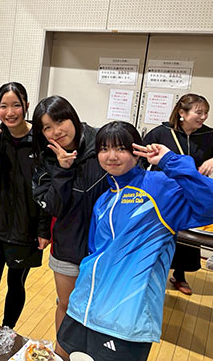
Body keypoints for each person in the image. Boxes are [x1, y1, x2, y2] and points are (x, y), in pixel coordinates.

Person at [59, 121, 213, 360]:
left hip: (125, 320)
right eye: (104, 149)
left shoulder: (160, 188)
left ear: (136, 151)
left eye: (120, 148)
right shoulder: (104, 200)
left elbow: (209, 205)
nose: (111, 156)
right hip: (84, 308)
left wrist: (169, 161)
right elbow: (95, 252)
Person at [31, 95, 108, 359]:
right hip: (68, 246)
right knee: (66, 304)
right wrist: (63, 170)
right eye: (47, 127)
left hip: (105, 248)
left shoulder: (101, 144)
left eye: (60, 121)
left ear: (72, 117)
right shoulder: (45, 159)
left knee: (98, 310)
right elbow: (53, 206)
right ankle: (62, 356)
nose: (56, 131)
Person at [0, 82, 50, 328]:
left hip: (26, 228)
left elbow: (46, 188)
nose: (10, 112)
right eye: (3, 106)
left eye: (16, 105)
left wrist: (43, 229)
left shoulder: (40, 141)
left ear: (27, 106)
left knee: (16, 284)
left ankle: (8, 331)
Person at [142, 93, 213, 295]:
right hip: (162, 195)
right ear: (182, 112)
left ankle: (179, 275)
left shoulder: (208, 135)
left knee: (187, 238)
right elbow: (140, 161)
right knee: (158, 235)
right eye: (199, 112)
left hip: (192, 195)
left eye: (206, 113)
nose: (203, 117)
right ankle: (148, 275)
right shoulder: (160, 133)